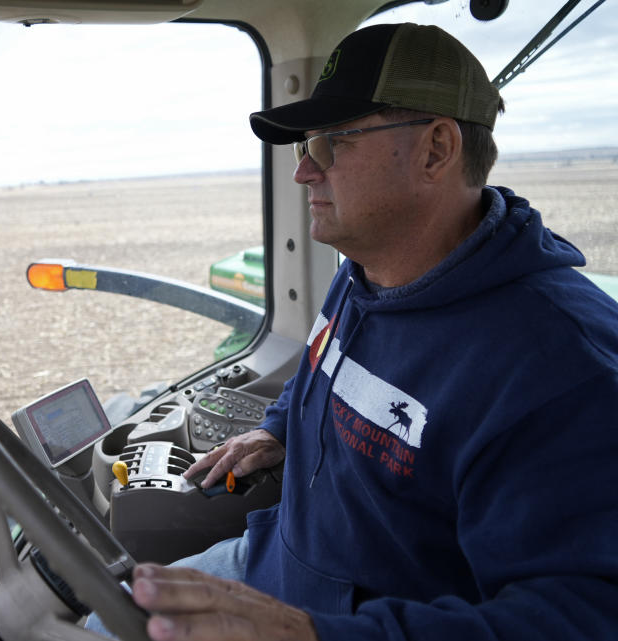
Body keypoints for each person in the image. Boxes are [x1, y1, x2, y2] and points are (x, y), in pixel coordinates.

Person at [121, 21, 618, 641]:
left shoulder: (562, 370)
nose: (304, 172)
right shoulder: (365, 272)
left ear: (436, 150)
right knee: (104, 612)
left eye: (332, 143)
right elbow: (328, 366)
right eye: (304, 146)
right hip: (275, 560)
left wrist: (310, 634)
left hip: (337, 625)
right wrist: (280, 427)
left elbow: (584, 617)